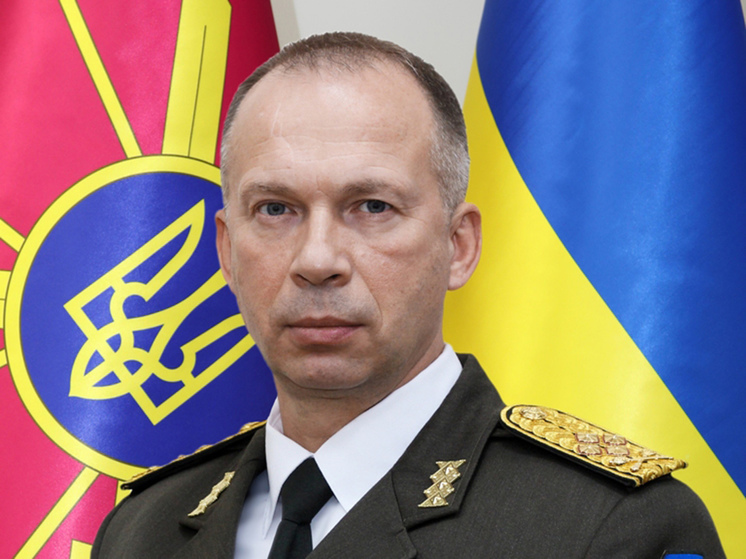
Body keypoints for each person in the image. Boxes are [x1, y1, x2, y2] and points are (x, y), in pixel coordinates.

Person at [93, 32, 724, 558]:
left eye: (372, 206)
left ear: (459, 245)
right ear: (228, 250)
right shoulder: (142, 531)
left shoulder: (607, 528)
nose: (317, 260)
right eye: (276, 209)